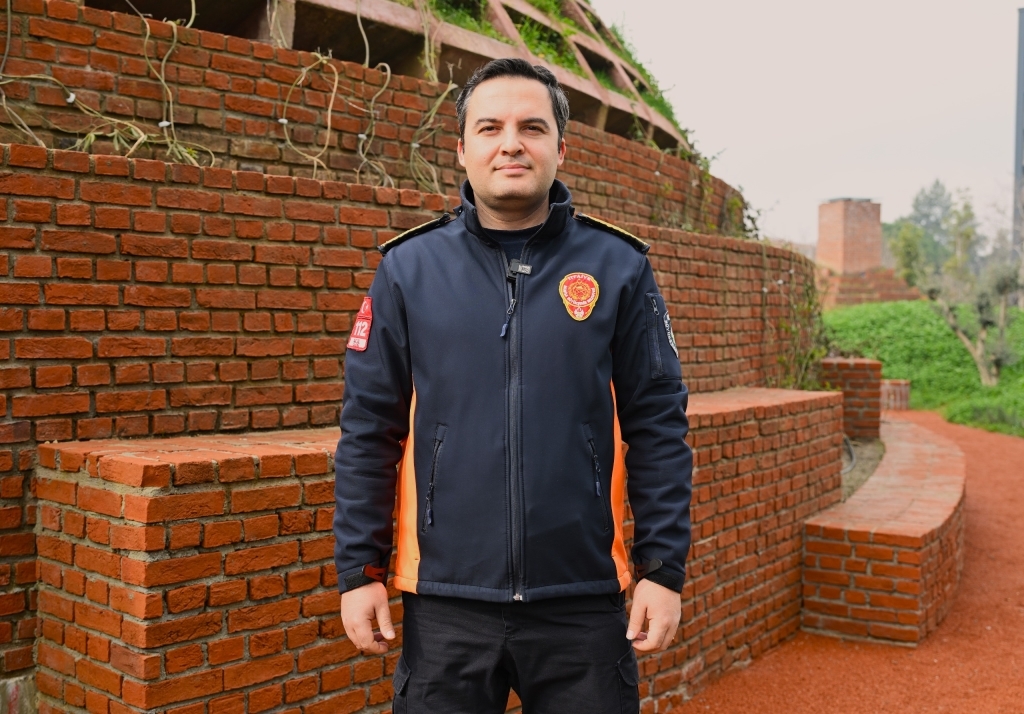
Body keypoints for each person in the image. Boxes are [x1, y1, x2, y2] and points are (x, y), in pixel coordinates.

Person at [333, 57, 693, 714]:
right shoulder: (408, 269)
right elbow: (367, 430)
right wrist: (361, 572)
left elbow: (659, 425)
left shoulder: (618, 266)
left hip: (582, 601)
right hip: (446, 602)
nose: (511, 144)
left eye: (532, 127)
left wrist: (663, 570)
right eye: (490, 127)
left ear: (561, 147)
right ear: (461, 149)